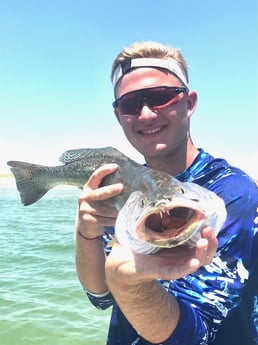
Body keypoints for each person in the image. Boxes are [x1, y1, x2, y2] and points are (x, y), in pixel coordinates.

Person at [75, 41, 258, 345]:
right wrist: (87, 234)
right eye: (131, 105)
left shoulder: (231, 193)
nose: (146, 114)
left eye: (161, 98)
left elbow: (196, 336)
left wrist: (128, 283)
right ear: (120, 116)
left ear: (189, 103)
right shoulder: (122, 186)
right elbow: (100, 297)